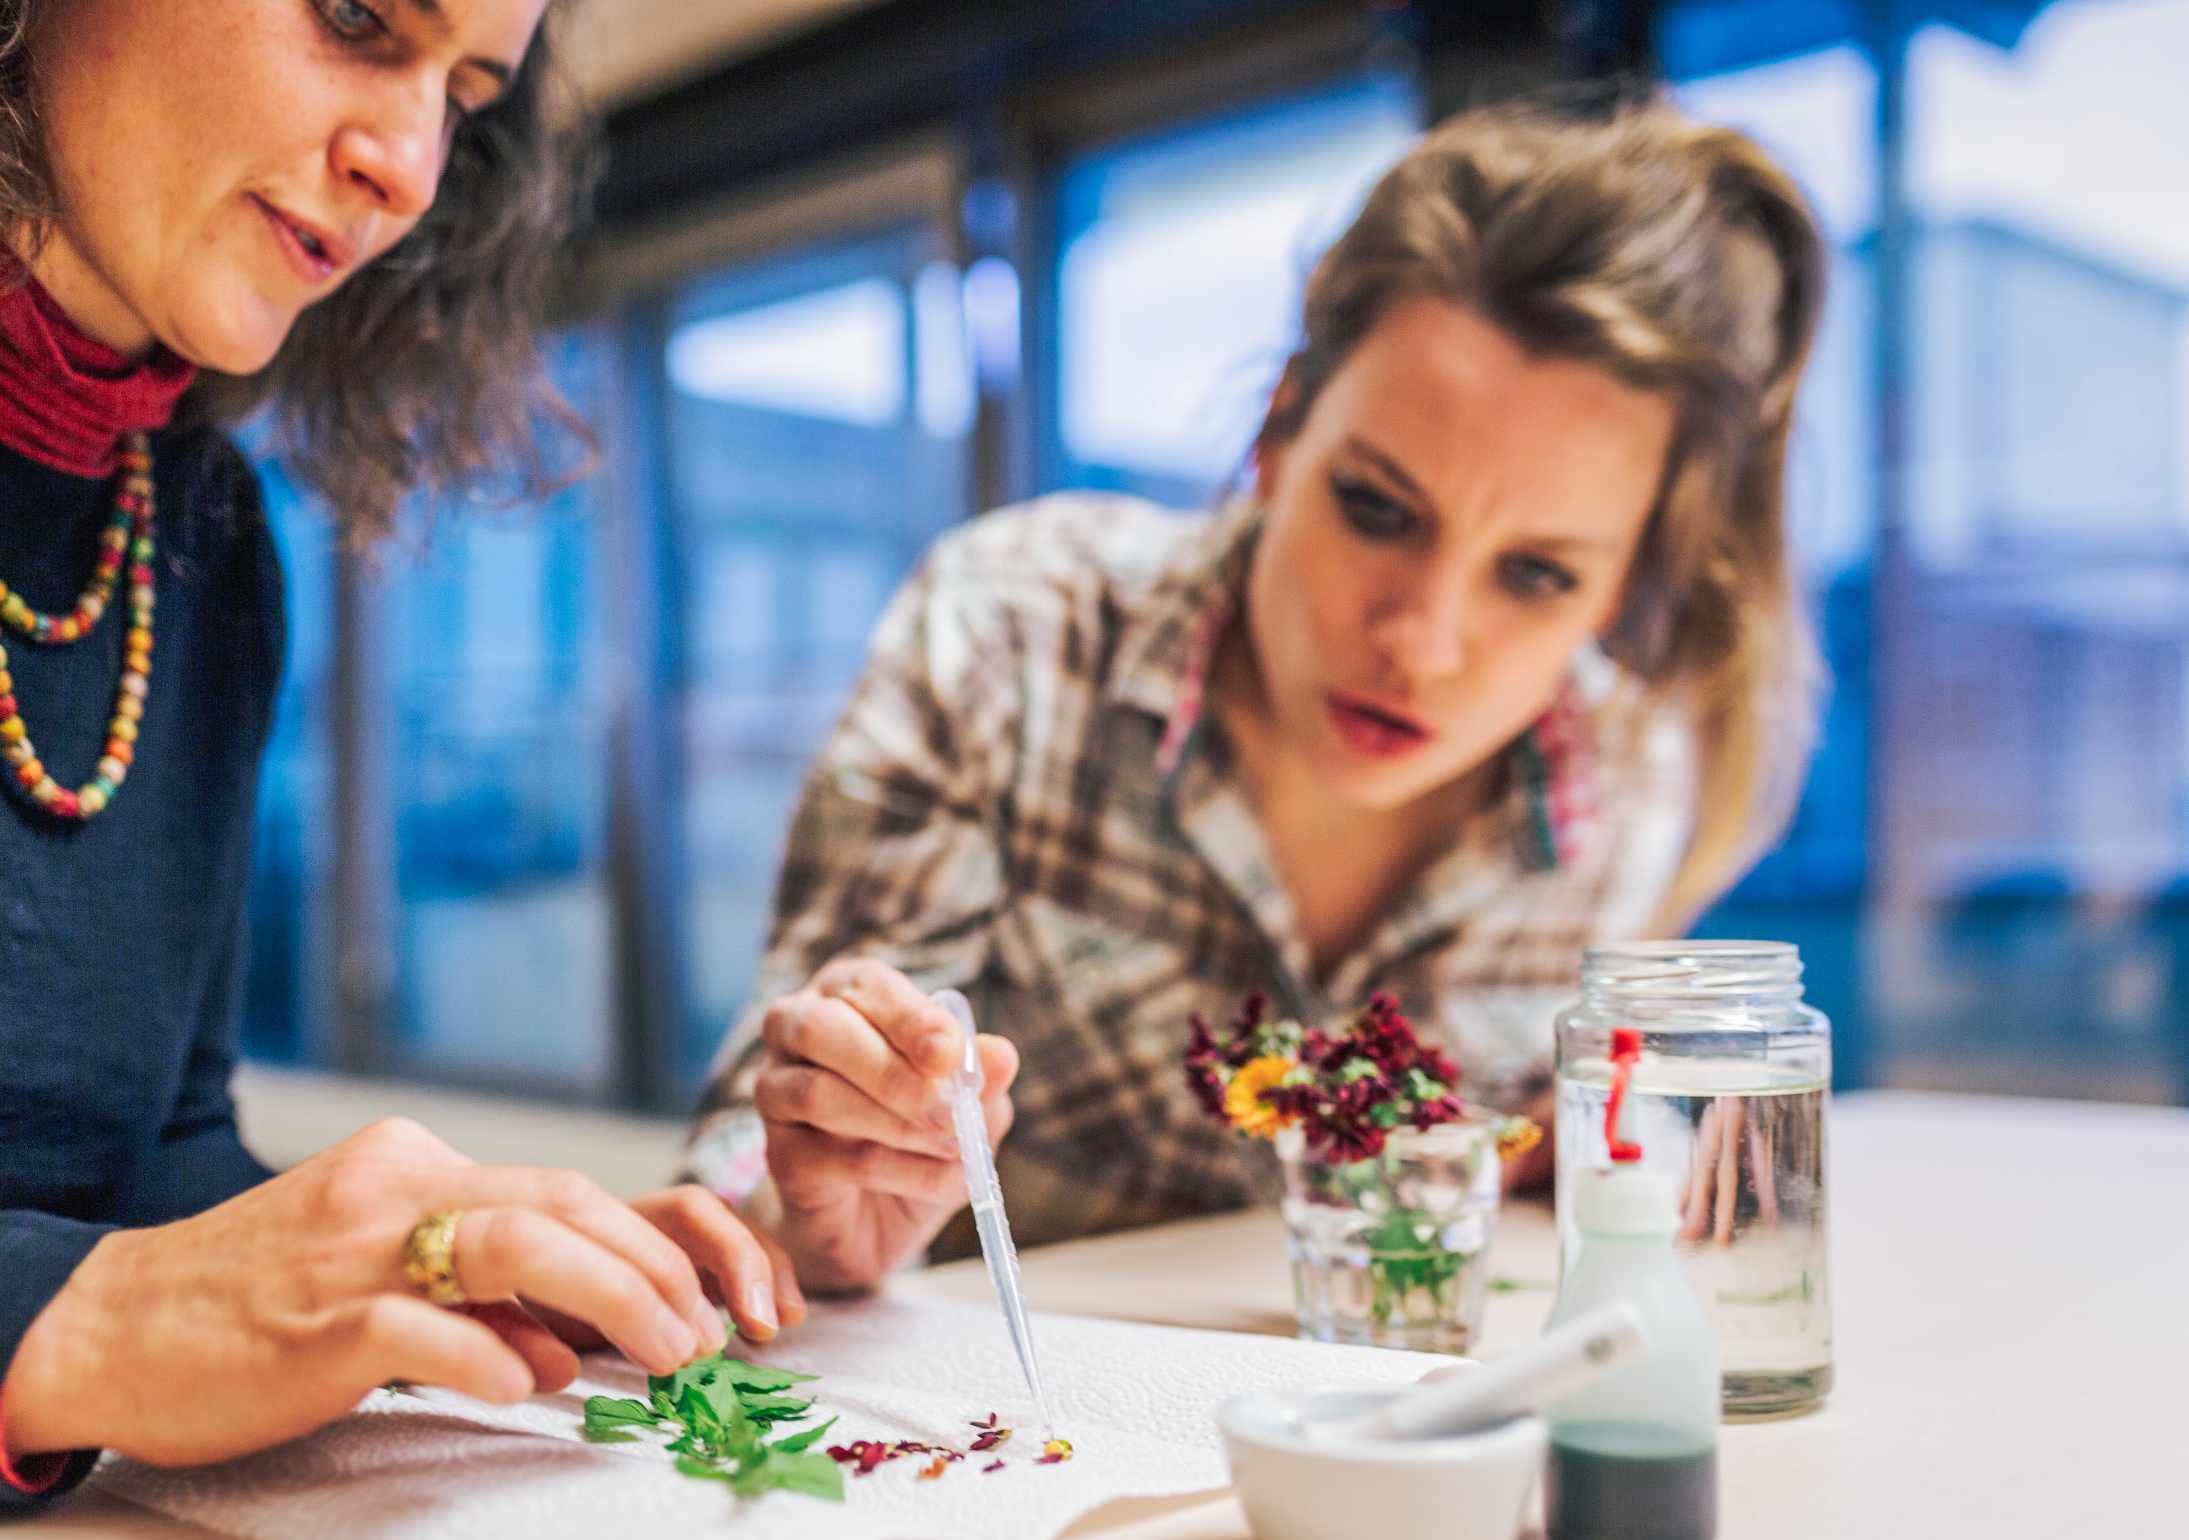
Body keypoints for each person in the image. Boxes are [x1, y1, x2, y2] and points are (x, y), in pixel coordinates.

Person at [0, 0, 803, 1533]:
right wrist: (86, 1323)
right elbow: (107, 1284)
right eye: (359, 18)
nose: (410, 168)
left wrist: (467, 1270)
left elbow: (147, 1155)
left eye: (464, 92)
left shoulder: (205, 535)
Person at [683, 101, 1827, 1295]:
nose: (1422, 642)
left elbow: (1579, 1145)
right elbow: (747, 1154)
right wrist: (806, 1194)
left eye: (1537, 574)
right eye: (1378, 509)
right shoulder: (1014, 632)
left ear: (1616, 591)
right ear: (1280, 431)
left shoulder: (1629, 780)